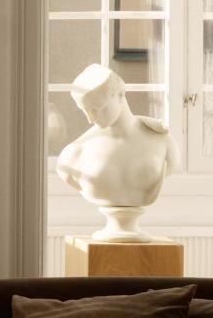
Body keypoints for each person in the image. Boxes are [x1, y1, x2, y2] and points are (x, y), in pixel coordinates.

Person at [56, 64, 179, 238]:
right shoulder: (73, 156)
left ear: (120, 96)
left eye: (97, 108)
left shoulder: (162, 141)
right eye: (85, 111)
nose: (90, 119)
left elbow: (173, 164)